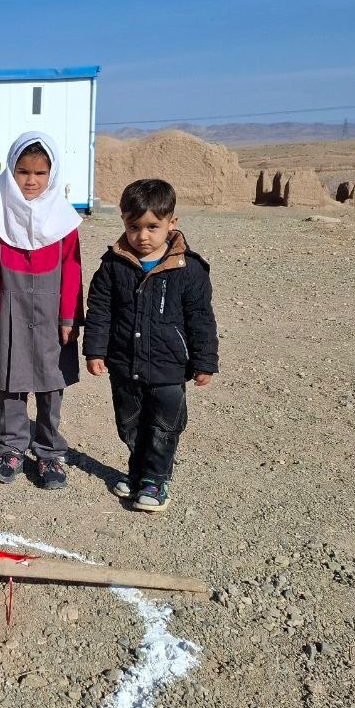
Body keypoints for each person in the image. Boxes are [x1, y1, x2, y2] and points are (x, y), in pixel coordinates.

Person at [83, 178, 219, 513]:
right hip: (124, 364)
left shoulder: (189, 269)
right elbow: (99, 310)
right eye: (134, 226)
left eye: (152, 227)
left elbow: (201, 317)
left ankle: (156, 479)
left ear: (171, 223)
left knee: (163, 425)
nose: (142, 236)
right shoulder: (113, 265)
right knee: (130, 422)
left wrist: (205, 360)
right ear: (124, 223)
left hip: (169, 367)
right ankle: (138, 470)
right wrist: (95, 350)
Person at [0, 132, 83, 488]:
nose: (31, 180)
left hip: (52, 316)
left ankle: (49, 452)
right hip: (11, 310)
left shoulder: (64, 221)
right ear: (10, 171)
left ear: (52, 175)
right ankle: (11, 447)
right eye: (22, 172)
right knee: (11, 383)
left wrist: (69, 317)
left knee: (52, 385)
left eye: (39, 173)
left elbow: (73, 271)